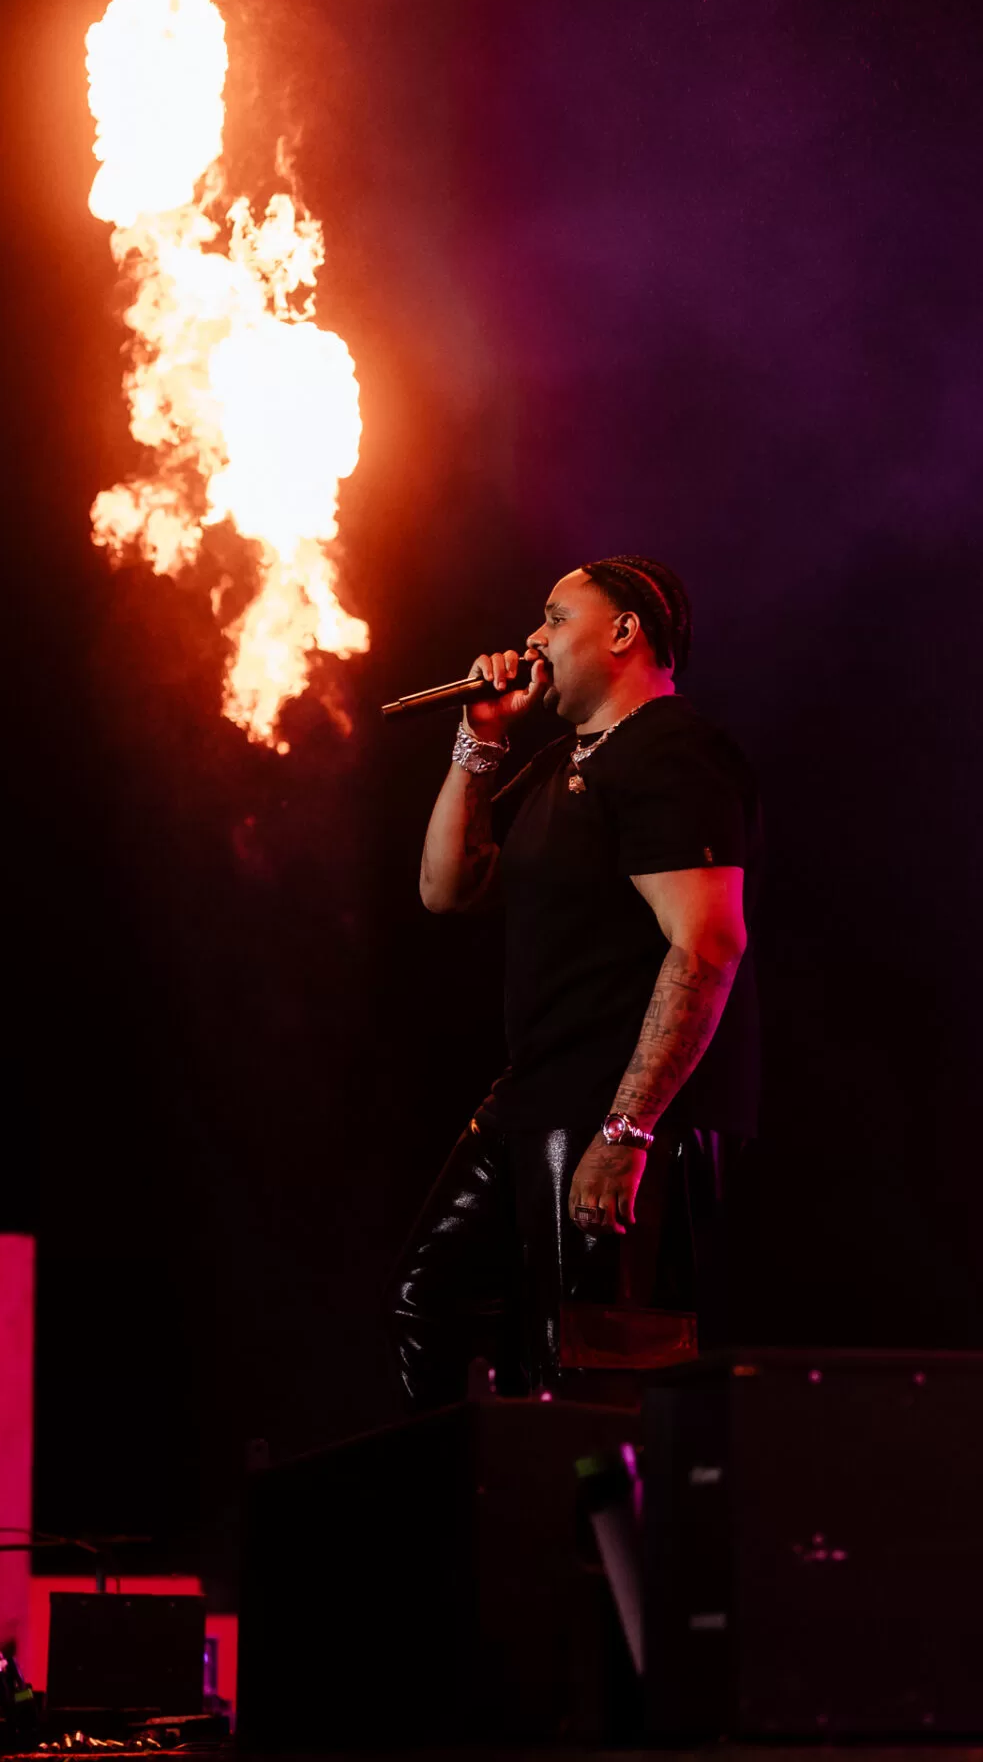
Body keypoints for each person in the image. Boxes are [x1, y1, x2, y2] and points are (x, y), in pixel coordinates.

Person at [388, 555, 762, 1409]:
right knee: (431, 1302)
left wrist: (627, 1131)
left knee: (593, 1364)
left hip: (618, 1111)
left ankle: (598, 1503)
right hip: (536, 1095)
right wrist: (480, 743)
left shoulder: (672, 752)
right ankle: (482, 1488)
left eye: (555, 618)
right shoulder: (567, 761)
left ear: (625, 632)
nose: (532, 639)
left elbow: (708, 943)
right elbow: (446, 887)